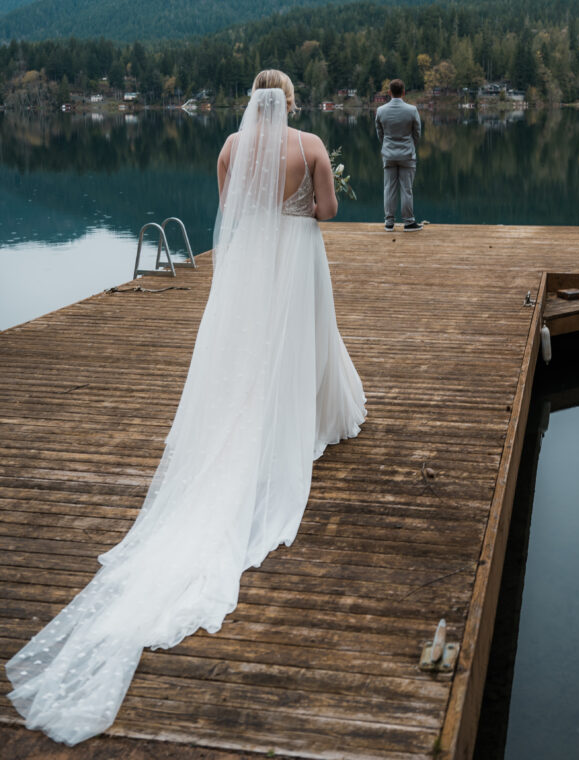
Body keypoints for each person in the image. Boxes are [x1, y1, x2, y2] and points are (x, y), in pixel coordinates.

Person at [6, 70, 366, 745]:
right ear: (287, 102)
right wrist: (306, 196)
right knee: (298, 339)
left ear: (250, 102)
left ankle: (249, 420)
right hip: (294, 256)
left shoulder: (230, 146)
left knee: (249, 347)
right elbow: (327, 213)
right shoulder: (311, 143)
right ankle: (304, 418)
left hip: (250, 258)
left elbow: (231, 210)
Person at [375, 78, 423, 231]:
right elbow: (417, 133)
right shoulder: (412, 110)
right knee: (406, 189)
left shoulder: (381, 111)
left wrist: (387, 146)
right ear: (404, 92)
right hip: (407, 155)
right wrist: (410, 146)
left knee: (389, 188)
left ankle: (389, 222)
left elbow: (380, 133)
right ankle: (409, 222)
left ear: (389, 92)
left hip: (389, 154)